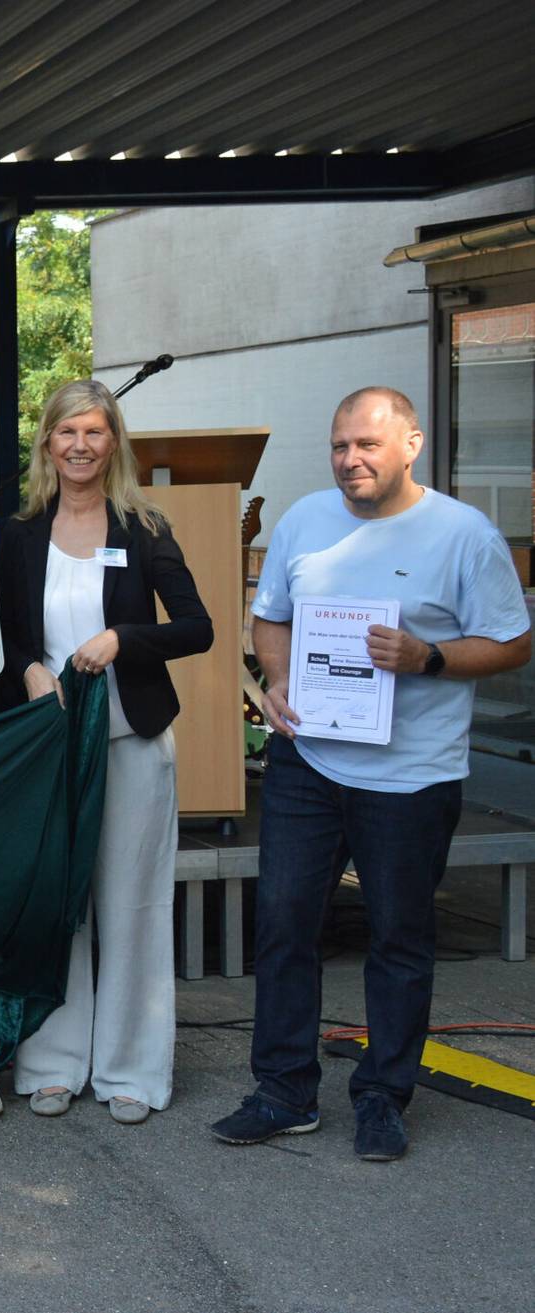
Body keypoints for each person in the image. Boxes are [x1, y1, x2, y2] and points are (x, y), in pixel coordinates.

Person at [212, 386, 529, 1161]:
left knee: (399, 937)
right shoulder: (304, 522)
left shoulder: (463, 535)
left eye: (368, 445)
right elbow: (271, 615)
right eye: (339, 445)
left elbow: (514, 641)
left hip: (412, 777)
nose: (351, 459)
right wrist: (278, 679)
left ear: (411, 445)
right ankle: (284, 1091)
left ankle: (383, 1095)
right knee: (284, 926)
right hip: (309, 761)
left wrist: (429, 656)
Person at [0, 379, 212, 1126]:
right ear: (46, 443)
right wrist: (25, 666)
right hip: (47, 740)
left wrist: (125, 639)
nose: (80, 445)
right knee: (61, 904)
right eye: (66, 432)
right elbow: (0, 630)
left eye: (94, 431)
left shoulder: (143, 524)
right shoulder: (17, 528)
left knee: (132, 903)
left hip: (130, 735)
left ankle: (131, 1069)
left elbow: (197, 626)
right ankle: (53, 1063)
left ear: (113, 440)